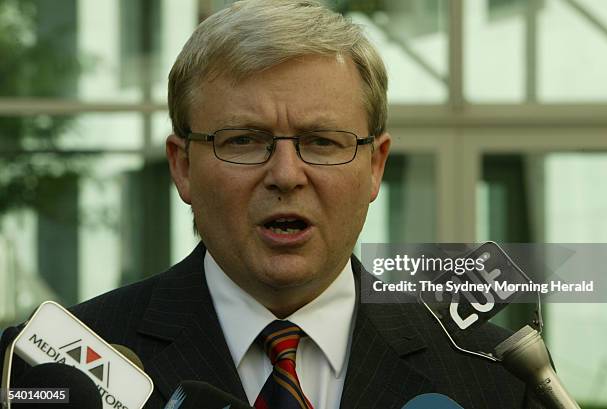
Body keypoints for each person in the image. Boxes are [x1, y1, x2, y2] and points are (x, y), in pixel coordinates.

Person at [1, 1, 544, 408]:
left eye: (323, 142)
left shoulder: (494, 378)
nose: (286, 175)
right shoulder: (54, 367)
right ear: (183, 166)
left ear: (375, 166)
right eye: (242, 141)